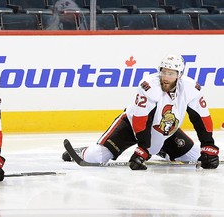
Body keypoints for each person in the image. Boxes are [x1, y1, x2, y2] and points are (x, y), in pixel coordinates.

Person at [62, 54, 220, 170]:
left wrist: (208, 146)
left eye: (171, 74)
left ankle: (161, 150)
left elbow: (201, 118)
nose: (166, 77)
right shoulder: (149, 86)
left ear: (179, 75)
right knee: (94, 158)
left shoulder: (191, 88)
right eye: (163, 72)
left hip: (164, 130)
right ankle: (82, 150)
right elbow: (140, 120)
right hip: (131, 126)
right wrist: (143, 149)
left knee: (193, 157)